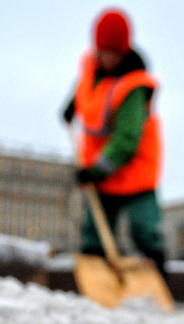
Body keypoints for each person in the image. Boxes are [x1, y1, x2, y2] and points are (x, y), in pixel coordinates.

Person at [62, 7, 167, 278]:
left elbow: (127, 140)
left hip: (134, 171)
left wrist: (94, 171)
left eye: (115, 53)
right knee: (93, 235)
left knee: (144, 231)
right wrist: (70, 106)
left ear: (125, 51)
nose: (108, 58)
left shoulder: (133, 87)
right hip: (102, 172)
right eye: (104, 51)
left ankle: (159, 280)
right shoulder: (90, 67)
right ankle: (97, 285)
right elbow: (84, 88)